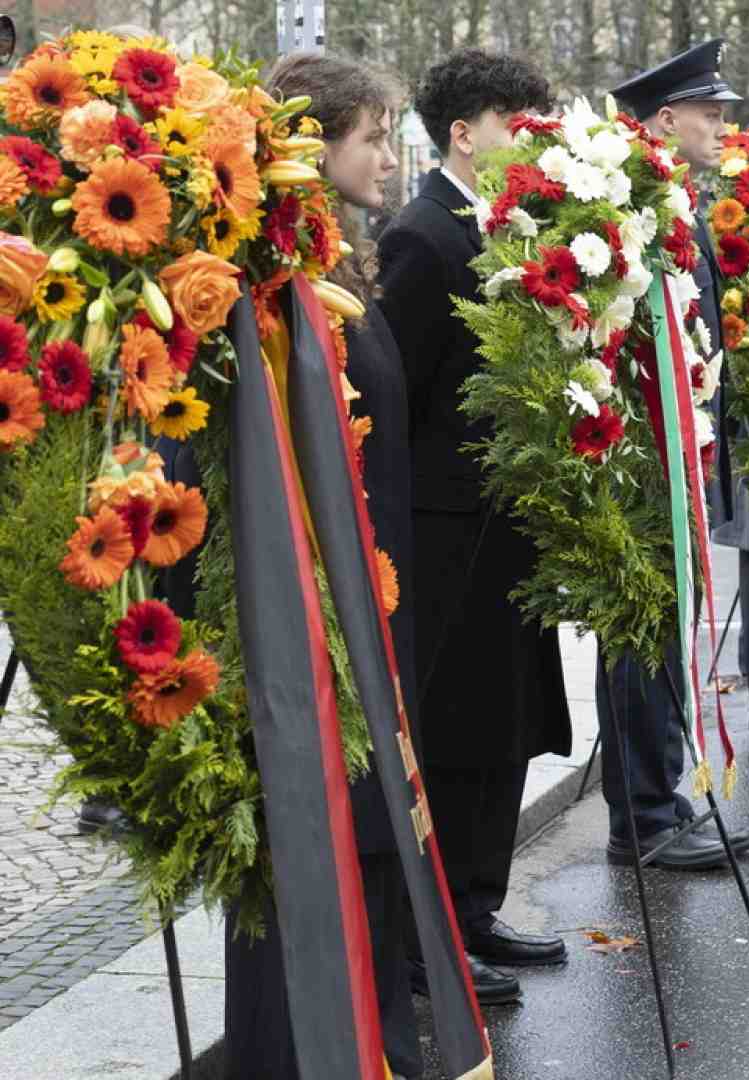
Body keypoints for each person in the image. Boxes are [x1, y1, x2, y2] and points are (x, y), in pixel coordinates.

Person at [220, 53, 425, 1075]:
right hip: (317, 621)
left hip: (376, 600)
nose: (388, 156)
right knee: (323, 850)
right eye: (372, 137)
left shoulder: (346, 258)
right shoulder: (268, 282)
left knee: (379, 848)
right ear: (311, 146)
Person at [376, 49, 565, 1002]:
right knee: (450, 734)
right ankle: (426, 939)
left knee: (504, 727)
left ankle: (476, 909)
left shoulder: (509, 222)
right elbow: (394, 398)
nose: (535, 139)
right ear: (465, 131)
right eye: (518, 123)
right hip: (444, 531)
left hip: (507, 521)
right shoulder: (424, 235)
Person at [600, 42, 749, 868]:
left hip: (682, 447)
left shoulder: (674, 199)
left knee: (670, 631)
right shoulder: (626, 207)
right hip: (642, 460)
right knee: (643, 634)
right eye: (710, 113)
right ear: (666, 119)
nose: (723, 126)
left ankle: (661, 797)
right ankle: (641, 814)